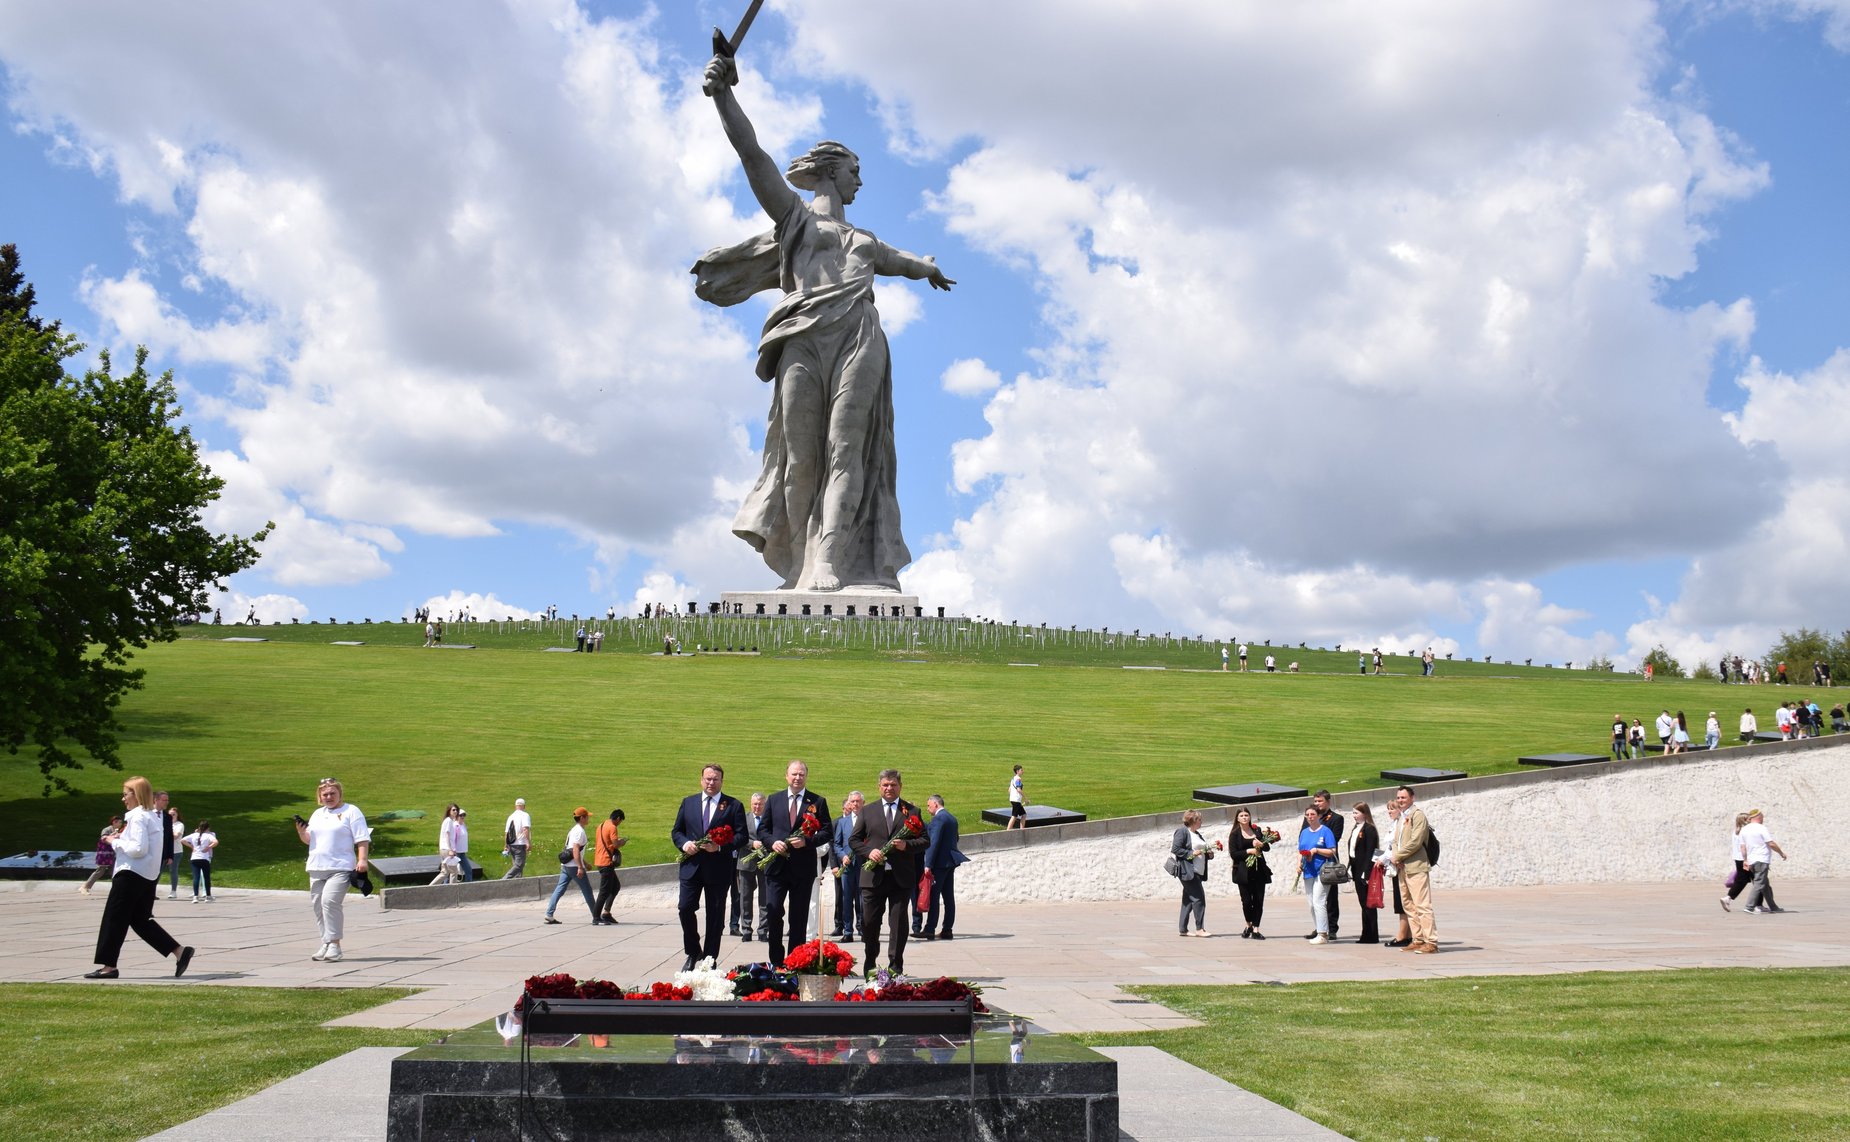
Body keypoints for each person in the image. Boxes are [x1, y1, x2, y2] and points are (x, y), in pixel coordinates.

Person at [696, 51, 954, 593]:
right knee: (800, 456)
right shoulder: (794, 221)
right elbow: (752, 155)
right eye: (855, 171)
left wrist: (925, 266)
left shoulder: (865, 241)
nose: (861, 180)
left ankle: (831, 560)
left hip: (859, 337)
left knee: (846, 448)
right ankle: (799, 562)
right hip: (802, 340)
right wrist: (725, 96)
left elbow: (902, 262)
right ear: (833, 172)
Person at [86, 776, 194, 980]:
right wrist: (122, 838)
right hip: (147, 876)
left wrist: (113, 841)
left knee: (114, 919)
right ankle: (179, 952)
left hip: (130, 874)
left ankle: (109, 967)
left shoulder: (137, 817)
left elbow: (137, 849)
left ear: (135, 795)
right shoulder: (153, 816)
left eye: (125, 794)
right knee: (140, 920)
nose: (123, 798)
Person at [673, 765, 748, 970]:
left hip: (718, 869)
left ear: (722, 781)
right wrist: (684, 844)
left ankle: (709, 958)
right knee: (685, 908)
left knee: (715, 916)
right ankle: (692, 950)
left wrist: (720, 846)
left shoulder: (733, 805)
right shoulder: (688, 803)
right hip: (691, 867)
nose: (711, 782)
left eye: (715, 779)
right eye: (707, 778)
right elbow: (677, 831)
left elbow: (741, 836)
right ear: (701, 780)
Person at [760, 760, 833, 967]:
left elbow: (827, 831)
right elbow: (763, 830)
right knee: (774, 913)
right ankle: (776, 960)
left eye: (801, 774)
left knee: (799, 917)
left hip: (802, 868)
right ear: (786, 776)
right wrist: (772, 843)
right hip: (777, 867)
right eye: (794, 774)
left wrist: (807, 842)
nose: (797, 777)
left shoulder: (817, 802)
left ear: (806, 776)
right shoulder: (774, 800)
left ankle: (794, 962)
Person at [850, 768, 922, 976]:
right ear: (879, 787)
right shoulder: (868, 811)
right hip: (873, 878)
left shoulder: (912, 811)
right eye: (885, 785)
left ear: (900, 786)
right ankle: (870, 962)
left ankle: (895, 966)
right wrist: (868, 852)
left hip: (900, 878)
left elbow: (924, 840)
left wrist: (906, 846)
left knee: (898, 924)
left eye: (893, 785)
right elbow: (853, 840)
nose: (889, 788)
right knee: (870, 923)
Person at [294, 777, 370, 963]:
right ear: (320, 796)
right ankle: (326, 942)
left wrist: (362, 860)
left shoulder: (351, 811)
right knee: (318, 906)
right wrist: (301, 831)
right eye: (325, 794)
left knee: (330, 902)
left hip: (340, 866)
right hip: (317, 866)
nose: (329, 797)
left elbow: (362, 838)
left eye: (332, 793)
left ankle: (335, 944)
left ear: (339, 794)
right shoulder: (317, 814)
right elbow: (310, 840)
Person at [1389, 786, 1437, 953]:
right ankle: (1417, 939)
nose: (1400, 800)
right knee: (1408, 905)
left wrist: (1398, 856)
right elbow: (1395, 841)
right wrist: (1396, 858)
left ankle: (1431, 942)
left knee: (1422, 905)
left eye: (1403, 797)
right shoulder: (1402, 817)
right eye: (1398, 798)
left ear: (1412, 798)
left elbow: (1416, 841)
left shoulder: (1418, 815)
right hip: (1402, 866)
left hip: (1416, 866)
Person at [919, 793, 966, 940]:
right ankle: (947, 929)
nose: (927, 809)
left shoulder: (939, 818)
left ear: (935, 804)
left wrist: (928, 864)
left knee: (934, 896)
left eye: (928, 805)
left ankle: (929, 929)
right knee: (948, 897)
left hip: (939, 863)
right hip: (949, 862)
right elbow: (955, 838)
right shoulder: (951, 818)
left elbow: (934, 842)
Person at [543, 808, 598, 926]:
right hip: (573, 866)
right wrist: (580, 866)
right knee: (587, 890)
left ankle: (549, 913)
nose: (588, 818)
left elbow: (573, 850)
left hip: (566, 865)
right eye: (587, 816)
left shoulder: (574, 830)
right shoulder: (579, 832)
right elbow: (575, 849)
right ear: (582, 818)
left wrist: (585, 863)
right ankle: (596, 916)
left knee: (560, 889)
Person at [1171, 810, 1217, 937]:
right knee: (1199, 899)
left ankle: (1183, 929)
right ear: (1193, 820)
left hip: (1197, 872)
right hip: (1188, 871)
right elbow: (1175, 849)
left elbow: (1201, 851)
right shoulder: (1182, 832)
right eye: (1199, 819)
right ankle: (1200, 929)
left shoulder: (1197, 834)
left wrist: (1209, 854)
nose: (1201, 822)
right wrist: (1191, 854)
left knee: (1188, 900)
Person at [1228, 807, 1271, 939]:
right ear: (1237, 818)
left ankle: (1256, 929)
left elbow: (1267, 847)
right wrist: (1249, 851)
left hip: (1259, 871)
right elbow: (1234, 854)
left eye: (1247, 815)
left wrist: (1261, 844)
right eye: (1242, 815)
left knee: (1258, 900)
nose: (1245, 817)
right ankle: (1249, 925)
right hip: (1243, 872)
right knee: (1246, 901)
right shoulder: (1235, 834)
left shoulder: (1257, 830)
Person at [1297, 806, 1335, 944]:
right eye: (1307, 814)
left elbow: (1332, 851)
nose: (1310, 817)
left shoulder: (1325, 831)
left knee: (1319, 901)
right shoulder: (1304, 832)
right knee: (1311, 903)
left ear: (1319, 816)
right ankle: (1318, 928)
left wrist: (1317, 850)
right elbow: (1300, 850)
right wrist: (1298, 864)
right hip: (1308, 871)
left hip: (1322, 870)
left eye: (1312, 814)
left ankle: (1323, 934)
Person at [1738, 809, 1787, 915]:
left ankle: (1773, 907)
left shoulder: (1744, 829)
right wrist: (1781, 853)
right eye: (1762, 817)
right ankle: (1749, 906)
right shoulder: (1761, 828)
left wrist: (1745, 860)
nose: (1763, 819)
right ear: (1758, 817)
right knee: (1759, 884)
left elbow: (1742, 847)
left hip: (1752, 861)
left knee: (1765, 885)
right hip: (1761, 860)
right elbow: (1771, 843)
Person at [1377, 800, 1412, 947]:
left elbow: (1395, 847)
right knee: (1401, 901)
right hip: (1394, 865)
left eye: (1392, 809)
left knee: (1402, 901)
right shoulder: (1395, 824)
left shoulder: (1402, 824)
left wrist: (1383, 859)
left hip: (1400, 865)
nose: (1389, 812)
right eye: (1388, 809)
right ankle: (1407, 934)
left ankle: (1403, 935)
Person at [830, 790, 864, 939]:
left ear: (863, 803)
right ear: (848, 804)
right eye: (853, 801)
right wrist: (843, 856)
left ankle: (864, 929)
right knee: (846, 898)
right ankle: (848, 931)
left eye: (858, 801)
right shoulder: (843, 822)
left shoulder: (868, 819)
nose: (855, 804)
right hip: (847, 867)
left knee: (863, 900)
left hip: (864, 865)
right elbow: (836, 844)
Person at [1345, 803, 1380, 943]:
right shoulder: (1356, 828)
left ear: (1365, 813)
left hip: (1364, 869)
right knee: (1362, 902)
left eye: (1357, 813)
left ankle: (1372, 934)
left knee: (1368, 903)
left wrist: (1367, 871)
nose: (1354, 816)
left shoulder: (1369, 829)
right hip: (1355, 867)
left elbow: (1371, 851)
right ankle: (1365, 933)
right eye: (1353, 813)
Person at [735, 793, 768, 940]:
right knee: (745, 898)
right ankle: (746, 930)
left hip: (765, 862)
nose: (757, 807)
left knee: (765, 899)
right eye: (755, 804)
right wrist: (751, 844)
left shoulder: (769, 818)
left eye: (760, 804)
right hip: (746, 863)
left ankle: (763, 931)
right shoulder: (744, 818)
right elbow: (738, 837)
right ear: (750, 803)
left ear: (764, 805)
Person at [593, 808, 626, 925]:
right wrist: (623, 841)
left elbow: (606, 842)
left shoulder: (601, 825)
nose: (619, 823)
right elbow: (616, 844)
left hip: (599, 860)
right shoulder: (612, 827)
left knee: (615, 886)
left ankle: (606, 913)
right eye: (620, 821)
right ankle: (596, 917)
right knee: (604, 891)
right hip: (606, 862)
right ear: (617, 818)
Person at [79, 815, 122, 895]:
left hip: (112, 855)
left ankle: (118, 890)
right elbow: (103, 839)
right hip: (104, 855)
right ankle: (85, 887)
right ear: (114, 822)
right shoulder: (107, 829)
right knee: (100, 871)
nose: (120, 824)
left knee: (115, 872)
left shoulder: (116, 830)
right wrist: (114, 835)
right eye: (119, 822)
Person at [1721, 812, 1753, 912]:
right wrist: (1747, 860)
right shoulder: (1745, 831)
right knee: (1755, 881)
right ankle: (1728, 898)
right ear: (1744, 820)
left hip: (1737, 859)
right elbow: (1745, 847)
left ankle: (1757, 904)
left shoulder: (1736, 831)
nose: (1750, 820)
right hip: (1745, 859)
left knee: (1749, 880)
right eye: (1748, 819)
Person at [181, 820, 218, 902]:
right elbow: (215, 842)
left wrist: (192, 847)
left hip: (194, 858)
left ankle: (195, 896)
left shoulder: (194, 835)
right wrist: (208, 847)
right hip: (204, 858)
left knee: (196, 877)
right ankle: (208, 896)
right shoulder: (208, 835)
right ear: (207, 828)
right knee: (206, 877)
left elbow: (182, 840)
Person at [432, 803, 465, 885]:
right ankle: (453, 892)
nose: (455, 811)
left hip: (443, 849)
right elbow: (447, 835)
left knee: (445, 872)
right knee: (454, 871)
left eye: (456, 810)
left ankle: (429, 888)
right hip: (447, 850)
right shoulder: (448, 821)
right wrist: (450, 849)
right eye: (453, 810)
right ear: (449, 811)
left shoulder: (448, 820)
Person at [502, 797, 532, 878]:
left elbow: (506, 832)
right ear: (524, 806)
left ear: (515, 806)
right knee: (519, 865)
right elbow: (525, 829)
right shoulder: (525, 815)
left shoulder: (511, 816)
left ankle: (518, 885)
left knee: (517, 868)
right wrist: (528, 842)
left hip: (511, 844)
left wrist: (506, 845)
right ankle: (503, 880)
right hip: (520, 843)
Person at [1006, 765, 1026, 830]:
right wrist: (1025, 798)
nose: (1023, 771)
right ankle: (1008, 831)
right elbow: (1018, 789)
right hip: (1016, 800)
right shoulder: (1018, 779)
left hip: (1013, 800)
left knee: (1023, 814)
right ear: (1017, 771)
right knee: (1014, 816)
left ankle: (1021, 830)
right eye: (1021, 770)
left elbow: (1009, 790)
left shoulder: (1013, 779)